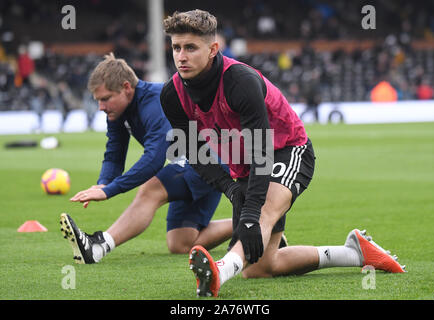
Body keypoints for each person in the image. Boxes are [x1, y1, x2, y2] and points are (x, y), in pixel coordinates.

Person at [160, 10, 406, 297]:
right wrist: (229, 188)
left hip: (287, 150)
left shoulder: (239, 81)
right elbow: (195, 152)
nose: (181, 56)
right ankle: (354, 253)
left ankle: (220, 270)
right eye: (176, 47)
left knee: (261, 212)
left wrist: (250, 211)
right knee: (260, 268)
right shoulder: (172, 95)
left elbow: (262, 148)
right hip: (246, 169)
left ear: (213, 49)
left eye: (190, 47)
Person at [61, 53, 233, 264]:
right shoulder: (118, 111)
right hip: (191, 161)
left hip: (211, 158)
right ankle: (255, 224)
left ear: (126, 87)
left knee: (152, 188)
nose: (101, 107)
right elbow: (114, 153)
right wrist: (102, 183)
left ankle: (99, 245)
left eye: (105, 99)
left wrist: (109, 191)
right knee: (180, 243)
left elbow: (154, 159)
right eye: (98, 101)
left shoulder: (156, 101)